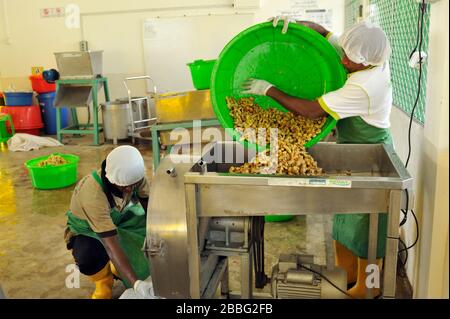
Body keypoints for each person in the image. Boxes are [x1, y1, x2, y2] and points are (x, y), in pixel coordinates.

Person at [242, 17, 392, 298]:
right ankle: (345, 277)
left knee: (367, 229)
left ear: (366, 62)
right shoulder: (362, 50)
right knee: (346, 221)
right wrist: (293, 23)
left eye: (350, 60)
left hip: (369, 151)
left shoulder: (366, 85)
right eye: (345, 53)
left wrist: (269, 89)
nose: (343, 61)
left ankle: (368, 288)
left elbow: (312, 111)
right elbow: (323, 33)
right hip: (350, 146)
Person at [64, 145, 154, 299]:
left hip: (119, 219)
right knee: (88, 256)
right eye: (125, 187)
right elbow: (111, 245)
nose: (129, 189)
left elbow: (151, 209)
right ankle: (103, 281)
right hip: (88, 229)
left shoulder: (134, 177)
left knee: (150, 238)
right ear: (112, 180)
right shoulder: (93, 195)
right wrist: (136, 284)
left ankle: (119, 268)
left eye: (133, 185)